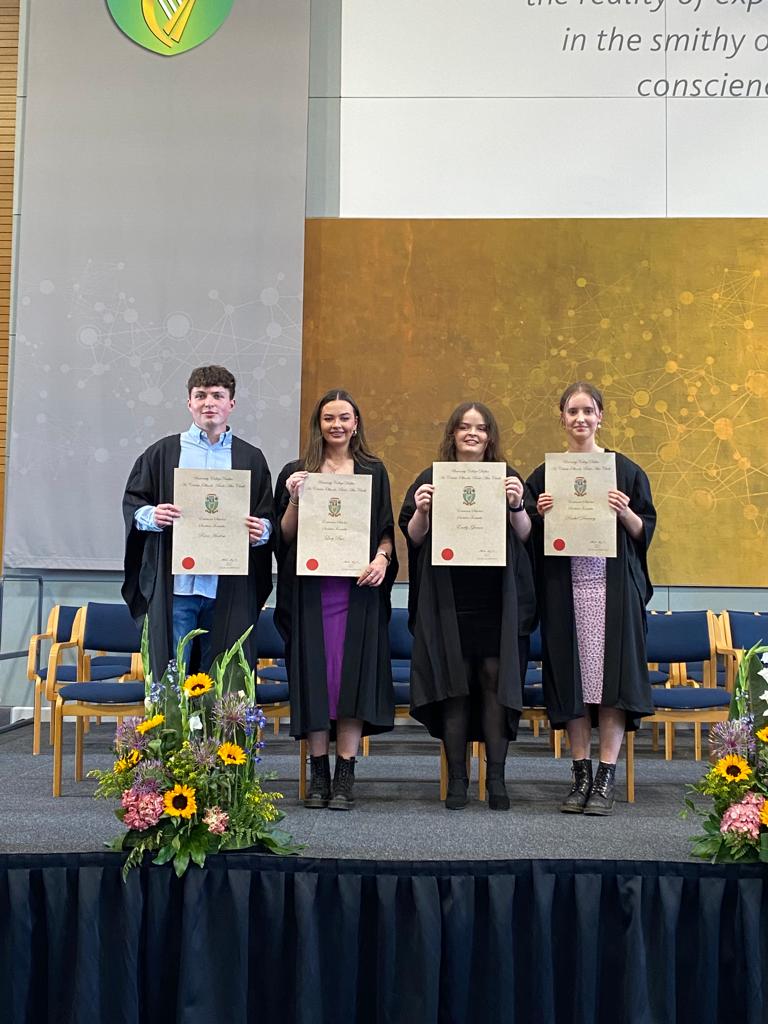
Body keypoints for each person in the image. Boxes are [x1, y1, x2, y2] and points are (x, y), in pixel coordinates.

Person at [526, 382, 656, 815]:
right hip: (566, 591)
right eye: (572, 411)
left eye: (588, 411)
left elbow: (643, 532)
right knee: (574, 683)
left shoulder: (625, 471)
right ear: (561, 418)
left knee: (612, 684)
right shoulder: (545, 476)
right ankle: (579, 774)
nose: (580, 418)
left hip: (611, 590)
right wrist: (537, 514)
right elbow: (526, 538)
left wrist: (626, 513)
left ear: (601, 416)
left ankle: (604, 778)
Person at [399, 402, 536, 810]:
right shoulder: (432, 479)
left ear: (490, 436)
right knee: (454, 686)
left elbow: (527, 536)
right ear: (453, 435)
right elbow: (415, 536)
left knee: (495, 681)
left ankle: (497, 779)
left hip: (496, 599)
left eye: (479, 428)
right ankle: (457, 779)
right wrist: (423, 509)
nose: (472, 434)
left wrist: (516, 506)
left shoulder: (508, 477)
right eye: (464, 427)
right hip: (449, 600)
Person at [274, 389, 397, 811]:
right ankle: (318, 771)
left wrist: (382, 558)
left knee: (350, 681)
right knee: (315, 680)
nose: (337, 425)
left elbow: (385, 530)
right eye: (329, 418)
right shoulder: (297, 472)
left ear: (356, 423)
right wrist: (293, 497)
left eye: (345, 417)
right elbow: (283, 537)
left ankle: (346, 772)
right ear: (318, 424)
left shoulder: (373, 471)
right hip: (311, 593)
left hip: (356, 592)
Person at [122, 365, 274, 679]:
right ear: (189, 402)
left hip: (227, 587)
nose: (209, 402)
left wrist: (261, 531)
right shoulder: (164, 453)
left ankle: (221, 731)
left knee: (224, 678)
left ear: (231, 404)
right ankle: (173, 731)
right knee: (172, 678)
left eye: (218, 395)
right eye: (200, 395)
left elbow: (267, 514)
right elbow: (134, 503)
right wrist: (153, 515)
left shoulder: (250, 458)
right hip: (178, 587)